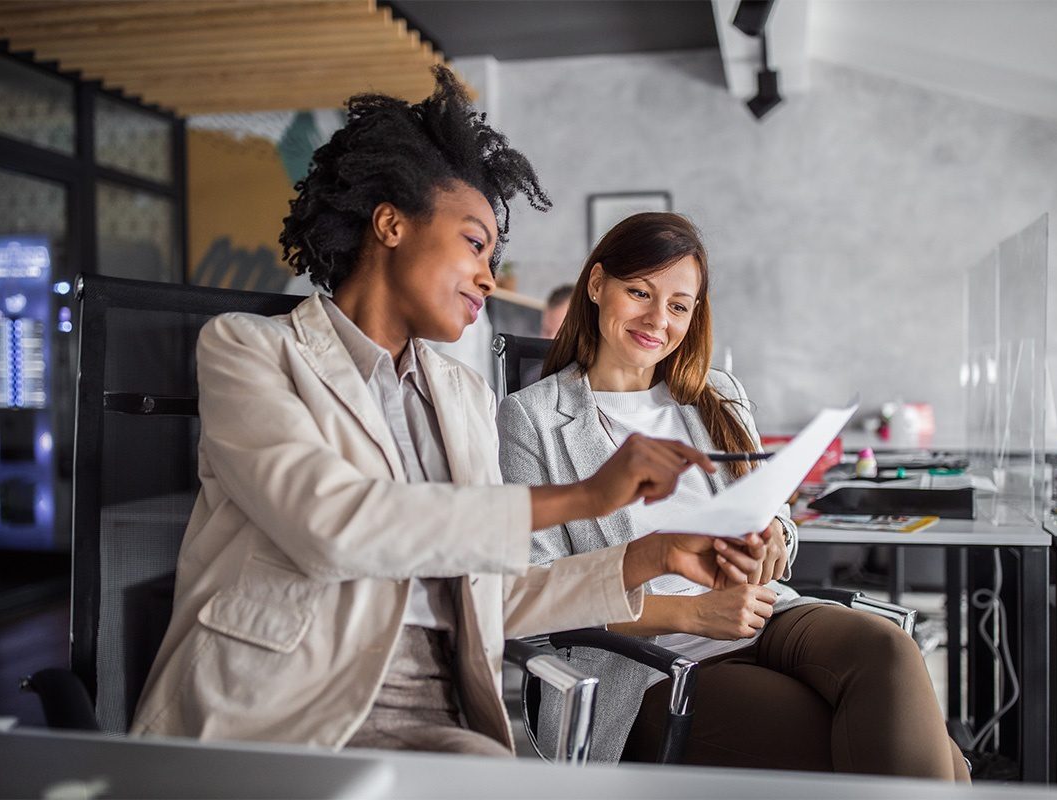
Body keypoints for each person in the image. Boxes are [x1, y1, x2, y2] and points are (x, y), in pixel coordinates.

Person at [130, 71, 763, 755]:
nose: (489, 276)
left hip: (438, 714)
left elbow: (499, 596)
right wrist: (580, 497)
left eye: (493, 253)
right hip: (284, 708)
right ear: (391, 223)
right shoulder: (250, 351)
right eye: (474, 242)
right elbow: (330, 524)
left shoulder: (463, 396)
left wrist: (652, 555)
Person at [497, 212, 969, 780]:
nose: (657, 320)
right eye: (639, 292)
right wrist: (691, 612)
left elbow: (778, 520)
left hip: (764, 612)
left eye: (678, 305)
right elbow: (533, 596)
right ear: (597, 285)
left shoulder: (716, 395)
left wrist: (775, 538)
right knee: (922, 756)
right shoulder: (532, 419)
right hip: (643, 664)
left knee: (888, 650)